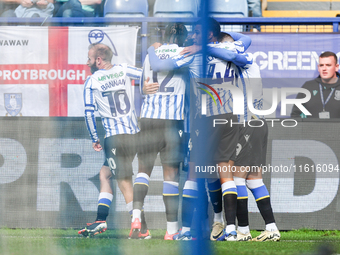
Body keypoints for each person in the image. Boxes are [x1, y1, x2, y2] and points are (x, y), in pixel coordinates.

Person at [79, 43, 149, 238]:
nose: (88, 62)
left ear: (98, 60)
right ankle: (101, 220)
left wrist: (95, 138)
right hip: (134, 136)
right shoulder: (124, 69)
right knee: (105, 174)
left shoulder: (92, 81)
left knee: (124, 181)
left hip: (115, 139)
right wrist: (145, 87)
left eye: (90, 58)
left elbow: (88, 113)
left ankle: (142, 228)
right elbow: (145, 73)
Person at [130, 23, 191, 240]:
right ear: (183, 38)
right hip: (171, 122)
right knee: (171, 177)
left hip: (146, 119)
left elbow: (141, 88)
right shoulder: (183, 53)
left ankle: (136, 215)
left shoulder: (150, 55)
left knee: (143, 171)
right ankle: (171, 231)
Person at [291, 51, 340, 119]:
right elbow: (295, 114)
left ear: (336, 67)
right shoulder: (308, 86)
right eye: (321, 65)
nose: (324, 69)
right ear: (318, 67)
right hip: (311, 129)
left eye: (328, 65)